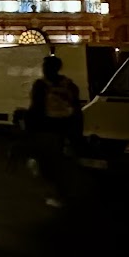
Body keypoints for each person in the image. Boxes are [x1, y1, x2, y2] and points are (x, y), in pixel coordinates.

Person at [27, 55, 81, 207]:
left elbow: (36, 107)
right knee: (63, 162)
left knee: (47, 162)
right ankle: (65, 191)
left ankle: (56, 193)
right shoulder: (69, 85)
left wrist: (29, 126)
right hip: (65, 127)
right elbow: (76, 108)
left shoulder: (41, 85)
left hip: (46, 128)